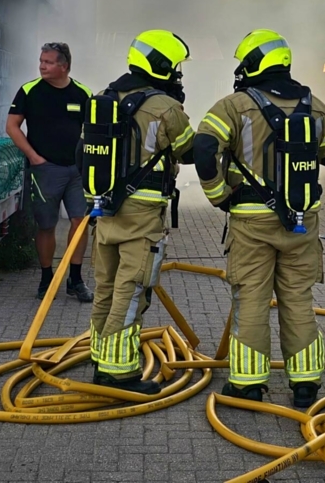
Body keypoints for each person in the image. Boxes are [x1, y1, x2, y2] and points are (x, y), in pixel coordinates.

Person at [193, 29, 325, 408]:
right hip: (302, 221)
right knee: (298, 299)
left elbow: (204, 146)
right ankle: (306, 383)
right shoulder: (316, 105)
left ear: (252, 65)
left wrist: (218, 196)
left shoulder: (232, 106)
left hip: (250, 222)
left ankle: (247, 384)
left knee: (251, 300)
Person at [86, 30, 195, 394]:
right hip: (143, 214)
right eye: (175, 67)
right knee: (132, 289)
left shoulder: (103, 97)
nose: (177, 74)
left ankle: (101, 356)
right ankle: (119, 372)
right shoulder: (165, 107)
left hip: (105, 210)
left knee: (106, 286)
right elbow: (187, 150)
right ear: (161, 65)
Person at [7, 42, 94, 302]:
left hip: (77, 172)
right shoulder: (29, 91)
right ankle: (47, 279)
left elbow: (92, 130)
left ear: (64, 66)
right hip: (45, 170)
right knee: (47, 225)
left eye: (48, 62)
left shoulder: (82, 93)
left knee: (80, 223)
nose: (42, 66)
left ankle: (75, 280)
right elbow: (12, 126)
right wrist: (34, 157)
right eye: (41, 61)